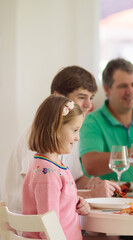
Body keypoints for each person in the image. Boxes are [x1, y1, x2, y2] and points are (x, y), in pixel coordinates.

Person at [3, 66, 120, 214]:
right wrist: (91, 195)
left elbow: (75, 179)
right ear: (57, 97)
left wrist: (94, 184)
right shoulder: (39, 136)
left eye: (91, 98)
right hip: (28, 228)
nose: (89, 105)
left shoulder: (69, 134)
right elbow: (42, 192)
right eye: (82, 97)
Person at [23, 95, 90, 239]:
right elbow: (48, 227)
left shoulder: (50, 167)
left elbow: (57, 203)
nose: (78, 137)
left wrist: (76, 202)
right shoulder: (47, 173)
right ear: (55, 129)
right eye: (75, 130)